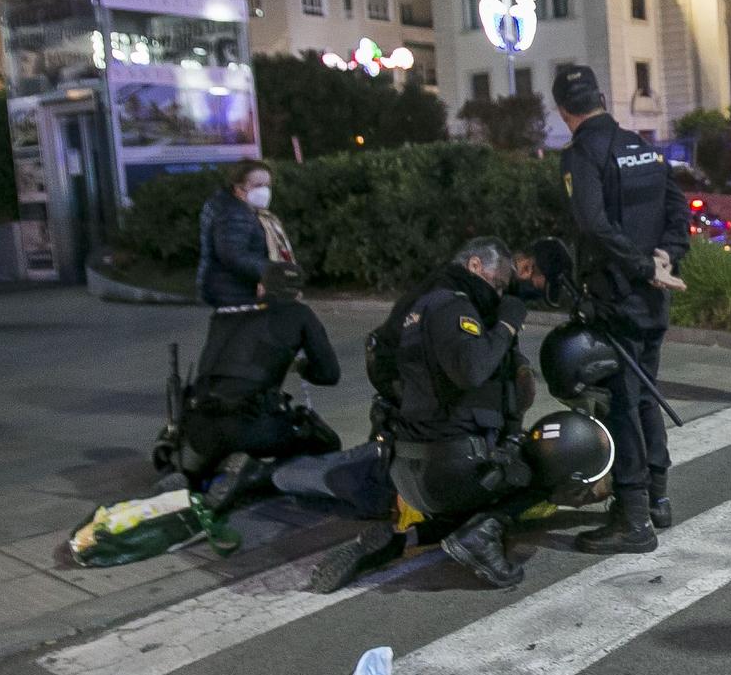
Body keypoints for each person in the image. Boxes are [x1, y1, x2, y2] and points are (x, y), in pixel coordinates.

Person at [310, 238, 533, 592]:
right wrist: (505, 327)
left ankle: (402, 540)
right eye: (499, 282)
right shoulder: (453, 304)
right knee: (549, 459)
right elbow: (473, 369)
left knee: (459, 515)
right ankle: (483, 531)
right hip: (454, 459)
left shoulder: (419, 300)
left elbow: (383, 363)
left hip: (407, 459)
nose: (499, 292)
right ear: (475, 266)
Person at [555, 63, 691, 550]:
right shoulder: (642, 147)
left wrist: (639, 267)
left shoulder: (581, 154)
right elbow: (679, 210)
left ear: (564, 111)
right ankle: (657, 499)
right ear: (602, 100)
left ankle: (632, 518)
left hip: (619, 296)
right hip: (655, 295)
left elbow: (591, 224)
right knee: (645, 395)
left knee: (621, 403)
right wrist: (666, 257)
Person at [177, 261, 342, 495]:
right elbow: (329, 374)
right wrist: (301, 366)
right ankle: (261, 478)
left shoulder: (224, 313)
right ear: (297, 293)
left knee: (196, 463)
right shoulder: (299, 313)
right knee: (325, 443)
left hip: (199, 424)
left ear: (260, 288)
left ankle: (203, 475)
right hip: (251, 427)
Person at [197, 160, 293, 307]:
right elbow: (234, 255)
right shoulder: (233, 214)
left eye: (267, 186)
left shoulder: (242, 209)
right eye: (258, 186)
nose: (265, 191)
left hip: (234, 288)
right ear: (239, 188)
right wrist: (273, 271)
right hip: (233, 290)